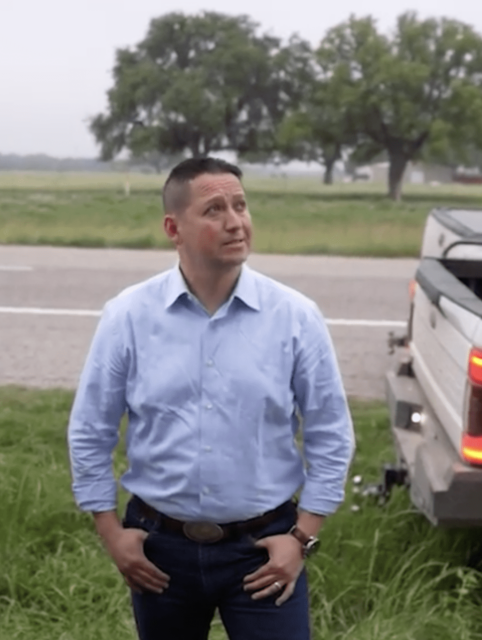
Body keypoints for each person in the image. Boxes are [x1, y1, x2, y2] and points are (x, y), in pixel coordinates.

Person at [67, 157, 356, 640]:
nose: (235, 222)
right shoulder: (129, 316)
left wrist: (302, 537)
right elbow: (90, 430)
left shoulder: (295, 317)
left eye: (240, 205)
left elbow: (331, 432)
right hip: (159, 551)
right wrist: (110, 532)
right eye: (214, 209)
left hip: (264, 548)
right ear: (173, 228)